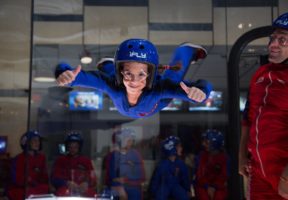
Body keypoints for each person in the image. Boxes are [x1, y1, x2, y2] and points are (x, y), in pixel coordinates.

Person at [55, 38, 212, 118]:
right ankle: (109, 65)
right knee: (111, 78)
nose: (134, 81)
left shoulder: (159, 88)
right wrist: (65, 74)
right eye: (128, 73)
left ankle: (185, 51)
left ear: (151, 75)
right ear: (121, 70)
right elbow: (80, 77)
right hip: (122, 86)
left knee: (174, 77)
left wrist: (200, 93)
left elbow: (202, 87)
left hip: (156, 104)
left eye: (142, 74)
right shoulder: (114, 83)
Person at [238, 12, 288, 199]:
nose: (273, 44)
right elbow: (247, 120)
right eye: (273, 38)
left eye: (282, 40)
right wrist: (242, 156)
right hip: (259, 171)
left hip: (284, 172)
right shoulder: (260, 74)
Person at [51, 132, 97, 197]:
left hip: (83, 191)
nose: (73, 149)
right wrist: (66, 183)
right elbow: (54, 179)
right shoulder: (60, 160)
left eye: (75, 146)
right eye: (70, 146)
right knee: (61, 193)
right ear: (67, 146)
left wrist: (87, 183)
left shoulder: (86, 160)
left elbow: (93, 179)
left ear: (79, 147)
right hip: (65, 191)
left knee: (92, 194)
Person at [6, 130, 49, 200]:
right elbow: (16, 179)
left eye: (38, 141)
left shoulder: (42, 157)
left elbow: (44, 177)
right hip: (21, 189)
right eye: (34, 140)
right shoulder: (18, 159)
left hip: (37, 188)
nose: (37, 143)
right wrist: (30, 181)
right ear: (26, 143)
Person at [105, 128, 145, 200]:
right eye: (128, 140)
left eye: (131, 140)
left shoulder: (136, 155)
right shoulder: (112, 156)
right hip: (116, 188)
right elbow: (110, 178)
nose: (130, 142)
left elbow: (141, 176)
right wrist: (118, 187)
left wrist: (126, 180)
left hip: (133, 188)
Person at [149, 135, 190, 200]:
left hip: (175, 188)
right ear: (172, 148)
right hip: (164, 189)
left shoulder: (181, 164)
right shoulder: (162, 165)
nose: (181, 148)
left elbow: (185, 179)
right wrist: (153, 193)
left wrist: (187, 189)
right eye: (179, 146)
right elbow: (155, 182)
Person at [193, 129, 229, 200]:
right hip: (203, 186)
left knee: (219, 196)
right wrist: (207, 186)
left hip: (218, 187)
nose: (203, 144)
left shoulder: (224, 158)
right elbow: (200, 175)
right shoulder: (201, 156)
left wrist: (214, 186)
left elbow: (224, 176)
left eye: (206, 142)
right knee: (203, 196)